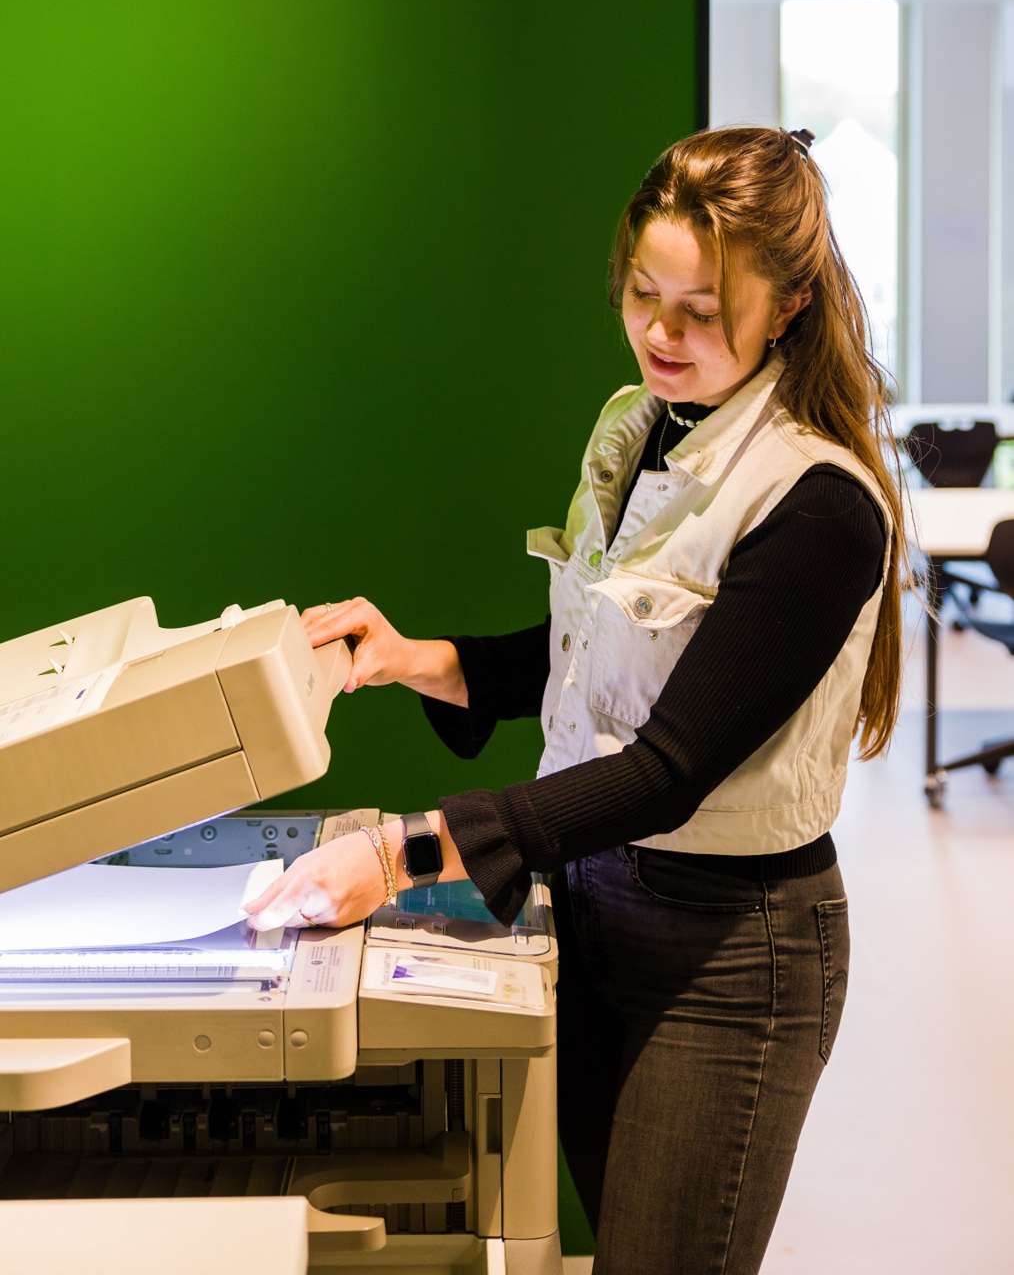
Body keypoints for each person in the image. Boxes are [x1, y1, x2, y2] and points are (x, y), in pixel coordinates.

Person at [245, 125, 909, 1275]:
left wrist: (411, 852)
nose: (661, 332)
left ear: (789, 304)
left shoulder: (819, 503)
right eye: (641, 293)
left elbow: (671, 764)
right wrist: (418, 657)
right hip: (593, 901)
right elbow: (590, 665)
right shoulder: (644, 424)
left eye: (700, 310)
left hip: (730, 951)